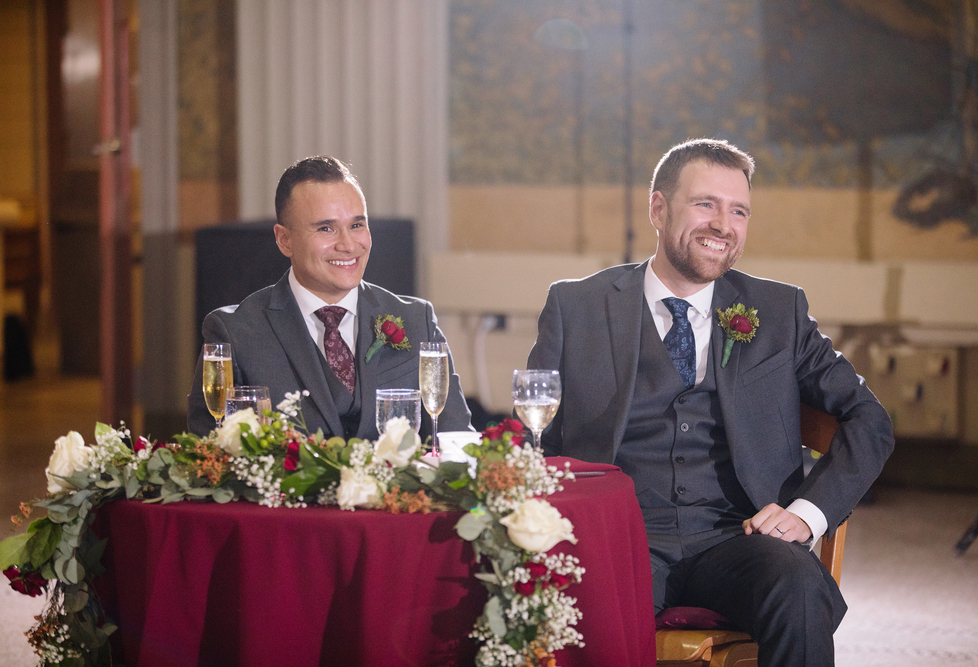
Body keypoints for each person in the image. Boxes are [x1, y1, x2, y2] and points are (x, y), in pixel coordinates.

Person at [526, 138, 894, 667]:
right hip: (618, 539)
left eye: (738, 210)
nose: (723, 224)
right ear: (658, 209)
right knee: (564, 607)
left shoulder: (777, 312)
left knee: (798, 585)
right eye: (705, 204)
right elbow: (536, 435)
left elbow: (869, 419)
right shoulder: (576, 306)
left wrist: (808, 515)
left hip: (736, 538)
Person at [188, 155, 473, 440]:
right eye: (326, 228)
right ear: (284, 240)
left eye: (357, 225)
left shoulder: (416, 320)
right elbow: (210, 462)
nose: (348, 245)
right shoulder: (235, 334)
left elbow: (455, 439)